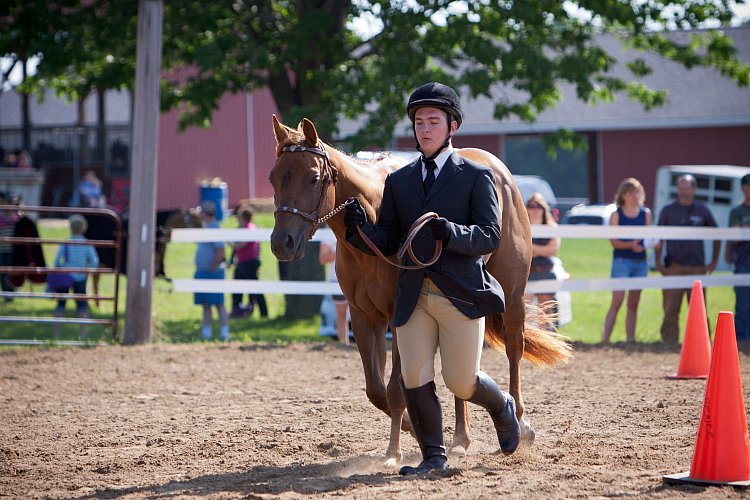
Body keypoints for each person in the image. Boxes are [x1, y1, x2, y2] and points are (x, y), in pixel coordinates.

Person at [344, 82, 520, 475]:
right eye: (419, 122)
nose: (424, 129)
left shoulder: (475, 176)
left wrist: (450, 232)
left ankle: (502, 405)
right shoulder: (400, 180)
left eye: (433, 121)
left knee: (461, 381)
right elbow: (389, 238)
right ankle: (433, 457)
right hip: (413, 294)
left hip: (460, 291)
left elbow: (490, 235)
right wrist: (361, 233)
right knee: (413, 376)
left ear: (452, 126)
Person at [654, 174, 720, 344]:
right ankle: (669, 343)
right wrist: (657, 261)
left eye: (687, 188)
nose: (684, 192)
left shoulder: (702, 210)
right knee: (670, 309)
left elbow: (717, 234)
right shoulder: (668, 210)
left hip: (697, 268)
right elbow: (657, 237)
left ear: (694, 189)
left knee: (699, 309)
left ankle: (702, 343)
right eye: (681, 188)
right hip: (674, 266)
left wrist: (714, 261)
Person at [602, 178, 656, 344]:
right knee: (617, 300)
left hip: (640, 261)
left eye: (637, 191)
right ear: (623, 195)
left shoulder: (645, 213)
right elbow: (613, 241)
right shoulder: (616, 214)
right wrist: (630, 245)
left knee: (634, 303)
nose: (635, 195)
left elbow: (650, 236)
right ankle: (605, 339)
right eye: (631, 192)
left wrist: (647, 245)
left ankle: (630, 339)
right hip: (621, 261)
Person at [50, 215, 99, 338]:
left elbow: (56, 261)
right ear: (83, 229)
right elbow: (94, 260)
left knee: (60, 304)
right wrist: (89, 271)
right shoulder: (87, 244)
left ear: (70, 228)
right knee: (82, 305)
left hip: (65, 277)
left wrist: (60, 268)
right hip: (81, 278)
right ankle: (83, 332)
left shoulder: (65, 243)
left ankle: (56, 333)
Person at [194, 200, 229, 341]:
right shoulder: (206, 227)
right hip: (204, 271)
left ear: (205, 213)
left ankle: (224, 333)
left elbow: (220, 250)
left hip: (213, 272)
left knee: (219, 304)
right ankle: (206, 333)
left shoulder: (214, 228)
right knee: (206, 305)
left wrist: (212, 269)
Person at [525, 192, 561, 318]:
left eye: (538, 206)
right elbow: (521, 248)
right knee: (523, 311)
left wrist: (531, 247)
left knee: (546, 314)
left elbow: (553, 250)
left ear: (543, 208)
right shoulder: (523, 226)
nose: (534, 209)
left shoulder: (551, 227)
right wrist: (542, 249)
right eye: (531, 206)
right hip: (527, 272)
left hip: (545, 271)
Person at [229, 206, 267, 319]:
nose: (237, 218)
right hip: (242, 262)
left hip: (249, 263)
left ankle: (263, 313)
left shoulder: (249, 228)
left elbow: (241, 245)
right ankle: (238, 311)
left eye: (239, 216)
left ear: (244, 217)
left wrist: (230, 243)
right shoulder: (242, 228)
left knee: (254, 289)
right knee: (237, 288)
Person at [726, 173, 750, 342]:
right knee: (743, 304)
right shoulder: (737, 211)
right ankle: (740, 340)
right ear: (743, 188)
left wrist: (744, 228)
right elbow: (735, 236)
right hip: (743, 262)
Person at [319, 239, 350, 345]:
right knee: (342, 315)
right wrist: (341, 250)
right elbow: (323, 259)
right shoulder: (328, 236)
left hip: (356, 279)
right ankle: (344, 342)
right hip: (336, 280)